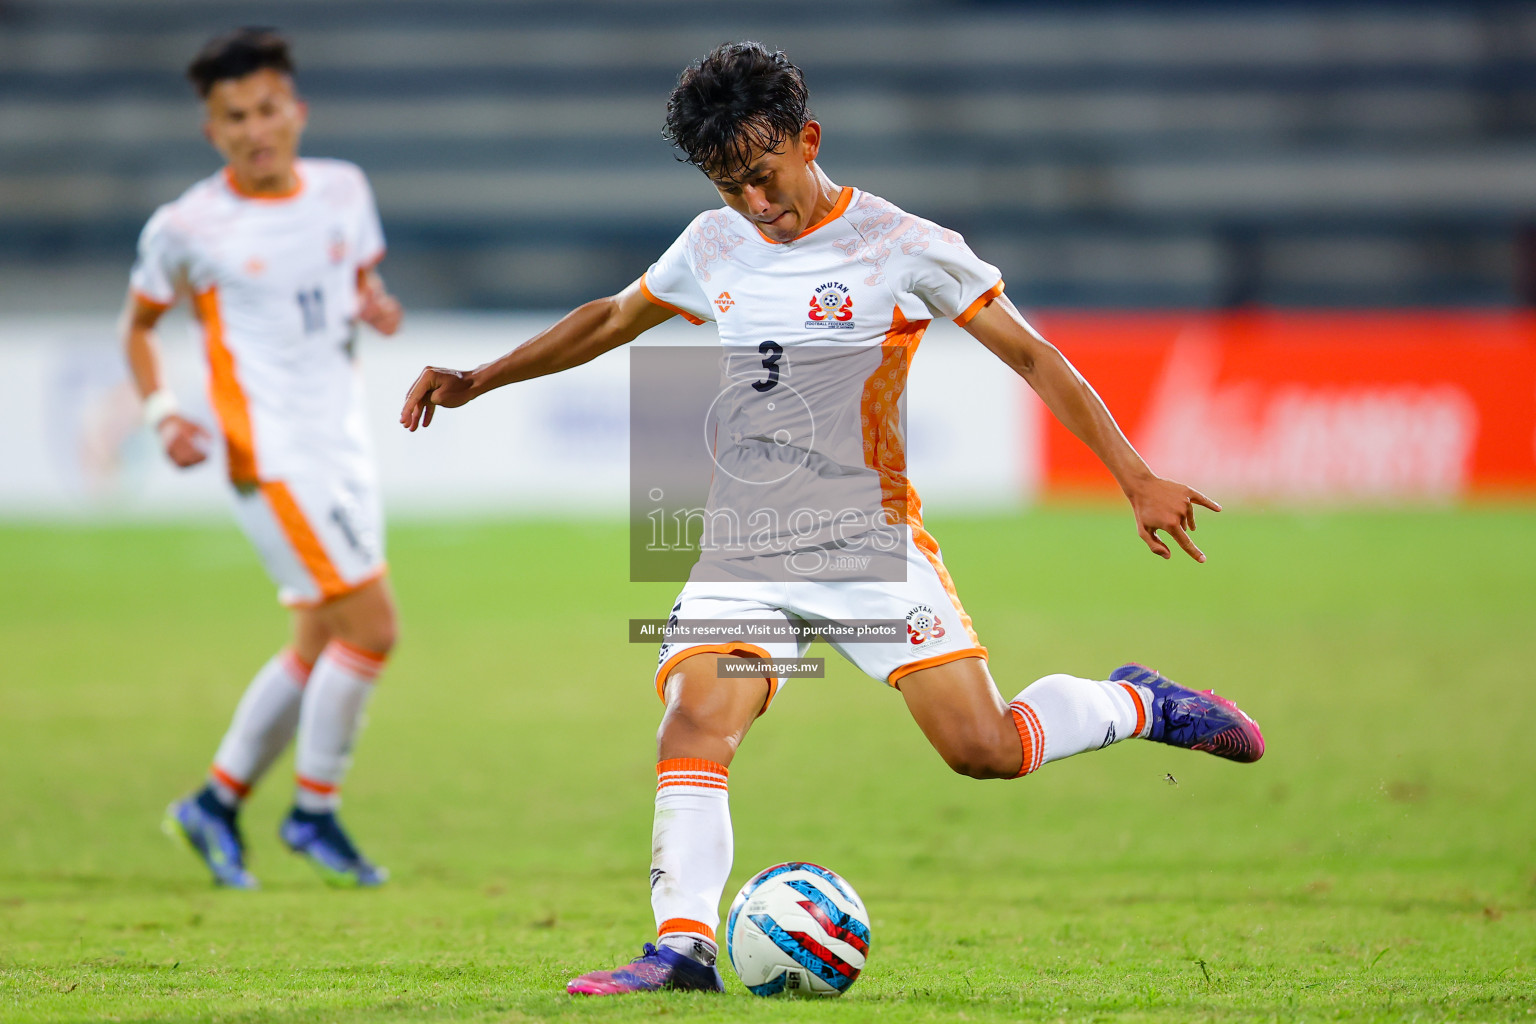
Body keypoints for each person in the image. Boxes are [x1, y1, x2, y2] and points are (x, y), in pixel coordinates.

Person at [400, 42, 1264, 994]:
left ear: (808, 142)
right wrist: (480, 379)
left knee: (985, 751)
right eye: (731, 188)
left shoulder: (904, 245)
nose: (754, 206)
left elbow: (1032, 357)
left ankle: (1133, 701)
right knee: (694, 722)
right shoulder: (712, 243)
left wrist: (1135, 476)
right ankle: (681, 949)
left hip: (869, 549)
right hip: (745, 552)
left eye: (764, 179)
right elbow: (610, 318)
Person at [126, 27, 402, 888]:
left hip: (342, 443)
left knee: (319, 640)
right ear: (213, 131)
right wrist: (165, 412)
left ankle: (213, 802)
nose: (255, 128)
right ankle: (313, 811)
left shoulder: (344, 190)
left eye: (267, 108)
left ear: (296, 111)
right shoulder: (187, 226)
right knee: (373, 628)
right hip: (270, 456)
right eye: (234, 116)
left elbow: (356, 284)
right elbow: (139, 325)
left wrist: (376, 304)